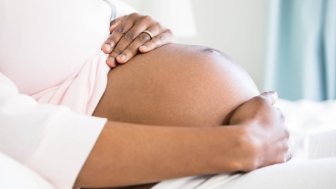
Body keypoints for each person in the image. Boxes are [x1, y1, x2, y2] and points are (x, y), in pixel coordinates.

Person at [2, 1, 333, 189]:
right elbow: (29, 137)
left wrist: (128, 20)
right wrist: (242, 145)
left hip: (262, 144)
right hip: (189, 169)